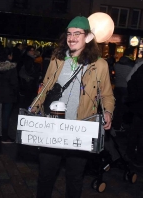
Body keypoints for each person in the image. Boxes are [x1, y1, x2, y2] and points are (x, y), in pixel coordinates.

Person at [30, 16, 115, 198]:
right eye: (69, 33)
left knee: (75, 178)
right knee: (45, 175)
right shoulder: (57, 58)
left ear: (88, 37)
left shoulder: (99, 65)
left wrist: (108, 111)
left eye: (78, 33)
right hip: (53, 127)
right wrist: (35, 107)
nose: (72, 37)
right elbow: (45, 86)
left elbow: (107, 94)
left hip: (79, 128)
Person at [0, 47, 18, 143]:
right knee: (6, 116)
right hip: (9, 94)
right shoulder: (11, 68)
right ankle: (4, 136)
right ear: (8, 56)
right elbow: (14, 82)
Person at [111, 47, 135, 132]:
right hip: (126, 88)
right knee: (123, 108)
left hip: (117, 87)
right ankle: (118, 125)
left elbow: (114, 74)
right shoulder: (132, 65)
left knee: (116, 107)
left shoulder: (117, 64)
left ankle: (114, 124)